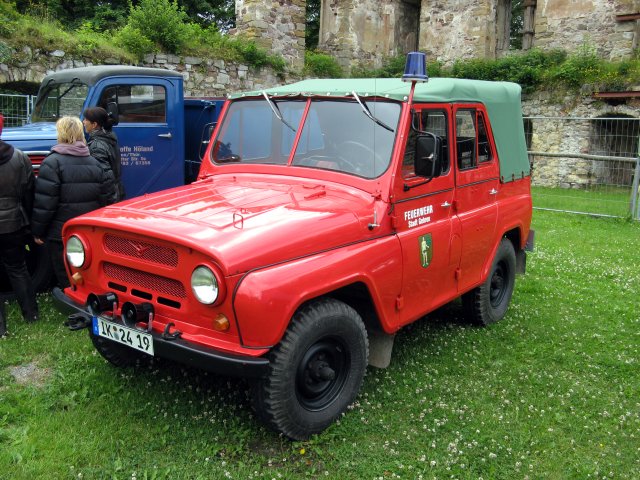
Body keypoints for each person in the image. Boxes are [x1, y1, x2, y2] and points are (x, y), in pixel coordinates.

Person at [31, 116, 116, 289]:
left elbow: (46, 203)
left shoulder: (52, 163)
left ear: (60, 134)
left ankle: (71, 304)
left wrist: (38, 231)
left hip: (60, 232)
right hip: (87, 231)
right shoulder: (95, 163)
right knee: (86, 271)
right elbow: (106, 198)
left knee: (65, 274)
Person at [0, 113, 39, 335]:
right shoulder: (19, 157)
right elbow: (28, 192)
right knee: (18, 269)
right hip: (13, 223)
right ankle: (31, 314)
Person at [83, 106, 125, 202]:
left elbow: (104, 178)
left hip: (107, 198)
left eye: (86, 119)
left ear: (94, 124)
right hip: (116, 191)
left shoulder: (97, 145)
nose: (83, 122)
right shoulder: (109, 138)